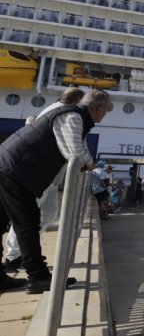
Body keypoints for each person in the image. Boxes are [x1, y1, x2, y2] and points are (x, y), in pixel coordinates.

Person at [0, 89, 110, 294]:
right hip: (15, 171)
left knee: (5, 223)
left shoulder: (72, 114)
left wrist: (86, 161)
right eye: (106, 110)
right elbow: (75, 152)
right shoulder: (73, 116)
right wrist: (89, 163)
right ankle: (38, 277)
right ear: (99, 108)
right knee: (27, 224)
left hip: (9, 166)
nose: (105, 114)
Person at [3, 87, 84, 273]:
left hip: (51, 177)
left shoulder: (60, 112)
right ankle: (14, 257)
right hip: (38, 176)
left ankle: (23, 251)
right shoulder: (64, 114)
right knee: (25, 219)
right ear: (77, 101)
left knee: (49, 212)